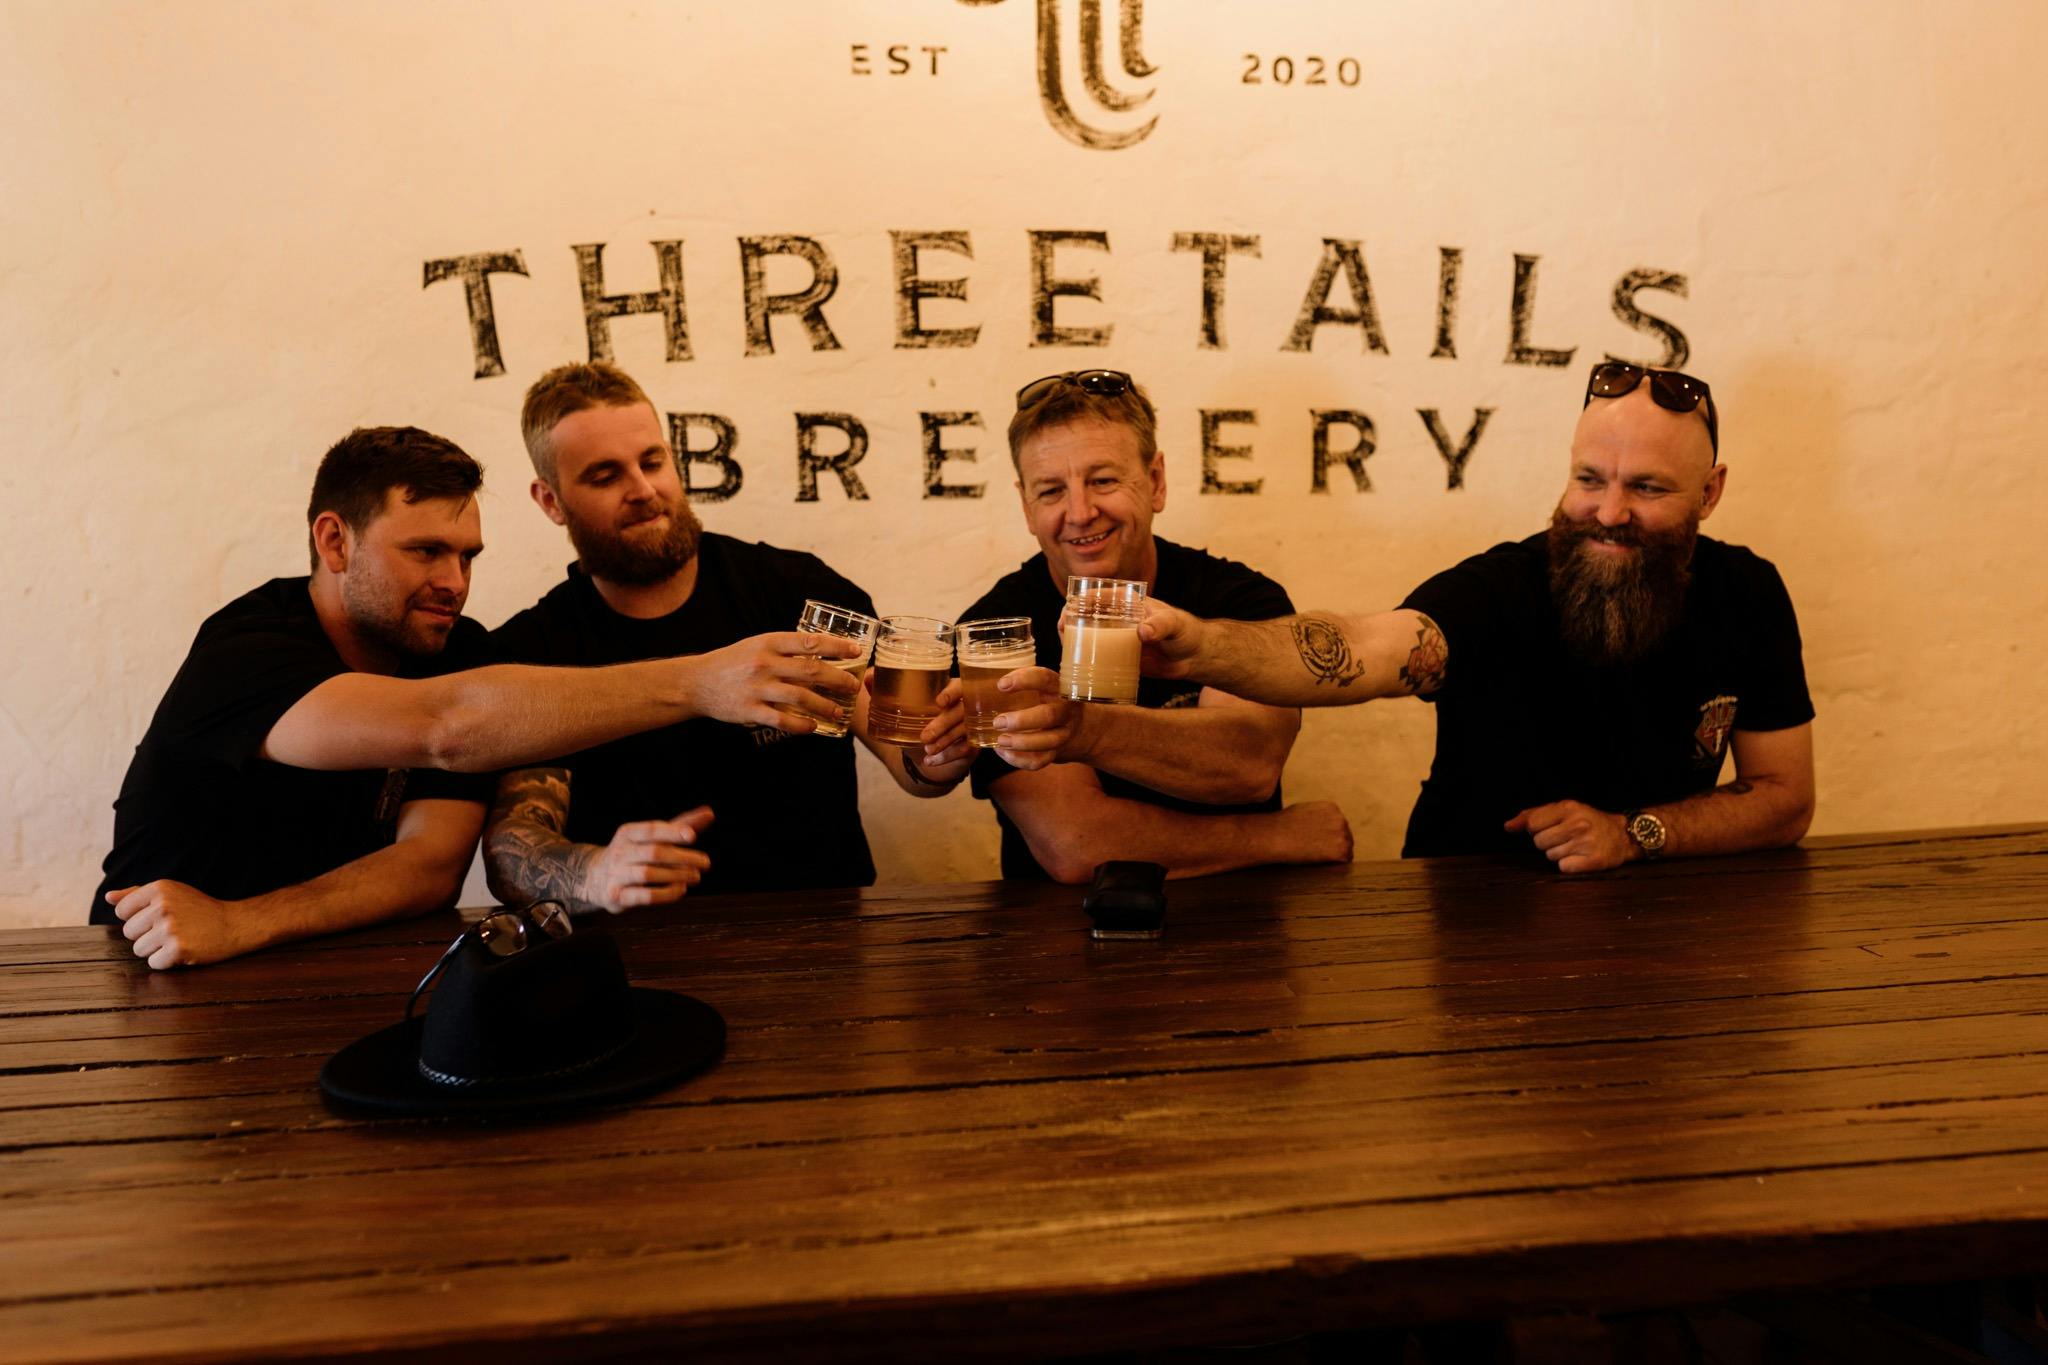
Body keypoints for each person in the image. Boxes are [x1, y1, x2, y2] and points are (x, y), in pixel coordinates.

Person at [95, 426, 862, 968]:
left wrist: (243, 922)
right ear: (334, 542)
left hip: (326, 962)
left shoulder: (459, 652)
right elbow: (442, 730)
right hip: (157, 959)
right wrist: (701, 681)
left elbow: (427, 867)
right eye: (425, 551)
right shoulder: (248, 649)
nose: (454, 582)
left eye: (467, 556)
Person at [1135, 362, 1816, 872]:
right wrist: (1200, 648)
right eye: (1589, 479)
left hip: (1671, 934)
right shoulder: (1503, 587)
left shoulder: (1748, 591)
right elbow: (1366, 647)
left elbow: (1786, 797)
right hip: (1471, 918)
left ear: (1710, 491)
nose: (1609, 511)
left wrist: (1632, 832)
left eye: (1647, 487)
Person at [482, 363, 973, 912]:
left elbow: (912, 767)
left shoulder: (796, 592)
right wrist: (593, 874)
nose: (643, 490)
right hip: (633, 961)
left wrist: (943, 752)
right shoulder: (533, 649)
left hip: (824, 944)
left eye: (652, 462)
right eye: (605, 476)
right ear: (550, 501)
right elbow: (510, 851)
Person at [946, 369, 1353, 884]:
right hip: (1057, 943)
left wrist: (1077, 730)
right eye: (1051, 491)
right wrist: (1275, 839)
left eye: (1103, 481)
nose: (1080, 512)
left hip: (1242, 932)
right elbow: (1076, 844)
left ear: (1156, 482)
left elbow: (1247, 764)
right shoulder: (995, 631)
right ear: (1027, 506)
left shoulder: (1243, 600)